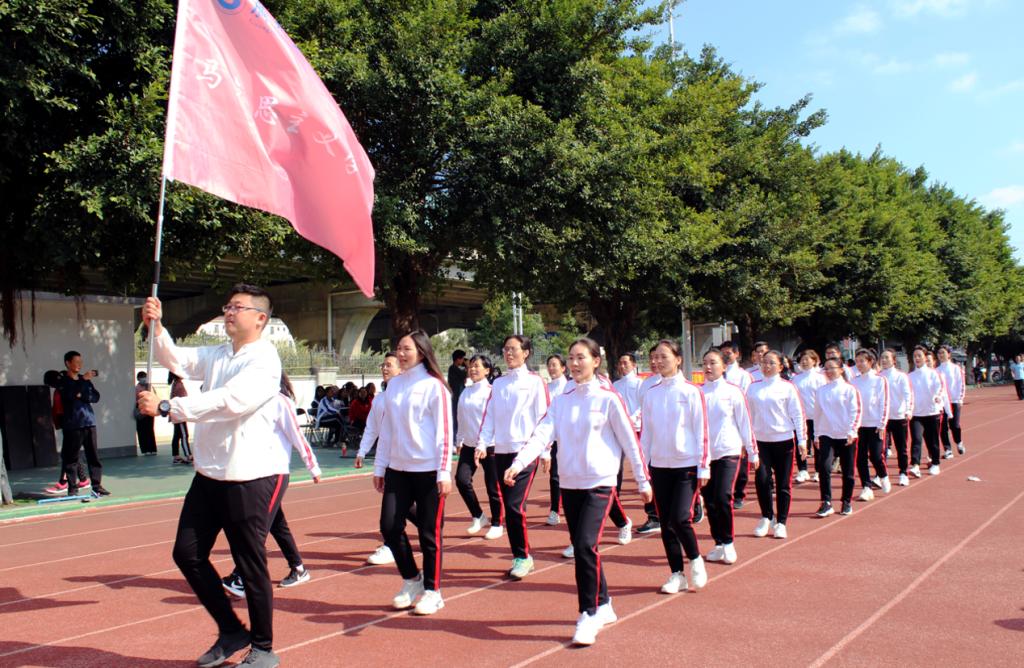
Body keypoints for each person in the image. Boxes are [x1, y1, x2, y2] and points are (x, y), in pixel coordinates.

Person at [137, 285, 286, 668]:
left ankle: (264, 648)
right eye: (228, 306)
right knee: (187, 554)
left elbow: (231, 401)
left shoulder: (264, 360)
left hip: (249, 474)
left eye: (238, 307)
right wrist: (157, 327)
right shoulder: (218, 353)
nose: (229, 312)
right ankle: (231, 629)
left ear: (260, 318)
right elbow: (178, 360)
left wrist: (169, 406)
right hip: (209, 474)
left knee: (249, 563)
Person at [503, 337, 652, 646]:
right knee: (587, 548)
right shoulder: (562, 400)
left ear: (596, 361)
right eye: (571, 358)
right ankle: (605, 603)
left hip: (600, 482)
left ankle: (588, 614)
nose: (574, 363)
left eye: (581, 357)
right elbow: (542, 434)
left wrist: (643, 480)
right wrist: (518, 463)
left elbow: (630, 441)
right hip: (570, 484)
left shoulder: (608, 399)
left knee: (584, 546)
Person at [222, 373, 322, 598]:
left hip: (274, 473)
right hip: (254, 474)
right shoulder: (250, 402)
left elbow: (298, 436)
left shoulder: (280, 401)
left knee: (257, 527)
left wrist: (312, 466)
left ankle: (242, 578)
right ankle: (298, 568)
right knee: (276, 523)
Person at [373, 330, 452, 616]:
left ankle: (433, 591)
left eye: (407, 349)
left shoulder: (434, 387)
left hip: (428, 470)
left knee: (429, 533)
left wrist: (444, 471)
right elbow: (387, 430)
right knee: (389, 527)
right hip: (398, 469)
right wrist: (380, 466)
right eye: (399, 348)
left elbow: (444, 432)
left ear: (421, 351)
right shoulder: (394, 386)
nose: (401, 353)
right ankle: (411, 578)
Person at [475, 334, 550, 580]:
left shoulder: (536, 382)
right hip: (502, 452)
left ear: (526, 353)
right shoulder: (498, 384)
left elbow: (544, 418)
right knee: (513, 507)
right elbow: (490, 417)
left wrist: (545, 451)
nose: (508, 353)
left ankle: (522, 557)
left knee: (513, 505)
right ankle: (522, 553)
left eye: (513, 349)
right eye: (505, 349)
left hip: (525, 451)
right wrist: (482, 443)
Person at [641, 339, 709, 594]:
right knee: (666, 522)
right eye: (655, 357)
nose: (658, 361)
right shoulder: (651, 393)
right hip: (659, 465)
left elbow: (701, 430)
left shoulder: (691, 391)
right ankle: (676, 574)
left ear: (678, 359)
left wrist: (704, 466)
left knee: (680, 518)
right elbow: (646, 434)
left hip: (686, 465)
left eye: (664, 356)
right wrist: (642, 467)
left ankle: (695, 559)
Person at [700, 349, 756, 565]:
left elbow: (744, 422)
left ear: (724, 366)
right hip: (705, 456)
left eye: (713, 362)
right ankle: (718, 542)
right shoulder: (698, 393)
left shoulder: (733, 392)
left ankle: (729, 542)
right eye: (705, 363)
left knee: (723, 496)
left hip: (728, 451)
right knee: (710, 501)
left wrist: (752, 451)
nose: (708, 367)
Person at [356, 352, 412, 565]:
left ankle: (429, 525)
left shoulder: (409, 395)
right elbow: (372, 428)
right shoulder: (380, 399)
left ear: (401, 369)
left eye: (389, 365)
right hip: (390, 461)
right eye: (383, 365)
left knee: (400, 504)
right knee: (396, 505)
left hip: (411, 460)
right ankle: (391, 544)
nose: (384, 368)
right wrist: (362, 451)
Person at [746, 350, 805, 539]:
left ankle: (781, 522)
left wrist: (802, 440)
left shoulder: (788, 387)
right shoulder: (753, 388)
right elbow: (747, 416)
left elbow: (797, 414)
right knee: (762, 480)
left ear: (780, 366)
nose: (767, 366)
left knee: (783, 483)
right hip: (761, 442)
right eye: (764, 362)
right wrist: (746, 441)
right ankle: (766, 516)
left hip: (783, 440)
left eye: (771, 363)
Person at [454, 354, 502, 537]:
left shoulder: (492, 392)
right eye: (471, 366)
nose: (472, 369)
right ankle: (478, 515)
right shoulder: (466, 392)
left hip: (490, 446)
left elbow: (495, 420)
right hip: (469, 445)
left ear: (487, 370)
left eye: (477, 366)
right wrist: (459, 439)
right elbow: (461, 418)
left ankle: (497, 523)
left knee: (493, 487)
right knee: (462, 480)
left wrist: (487, 442)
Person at [56, 351, 110, 497]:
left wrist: (82, 394)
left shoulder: (85, 380)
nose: (80, 365)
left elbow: (95, 396)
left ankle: (97, 486)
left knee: (93, 456)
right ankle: (72, 488)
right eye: (76, 362)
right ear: (68, 363)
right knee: (71, 458)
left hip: (89, 422)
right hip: (73, 425)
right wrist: (81, 383)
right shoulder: (64, 381)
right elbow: (69, 395)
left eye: (81, 361)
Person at [813, 359, 862, 517]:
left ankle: (846, 501)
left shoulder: (850, 389)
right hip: (826, 434)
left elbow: (856, 411)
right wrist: (816, 434)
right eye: (826, 368)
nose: (828, 371)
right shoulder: (821, 391)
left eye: (831, 368)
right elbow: (817, 413)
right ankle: (826, 502)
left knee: (847, 470)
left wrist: (852, 431)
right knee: (824, 467)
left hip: (846, 435)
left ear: (841, 370)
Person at [42, 369, 90, 495]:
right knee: (72, 453)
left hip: (73, 424)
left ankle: (63, 482)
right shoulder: (62, 389)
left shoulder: (63, 389)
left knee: (67, 454)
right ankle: (83, 480)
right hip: (70, 424)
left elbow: (62, 409)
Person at [851, 348, 890, 501]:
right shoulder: (854, 381)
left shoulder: (879, 380)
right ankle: (866, 487)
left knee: (875, 455)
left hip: (875, 425)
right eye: (857, 361)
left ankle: (883, 475)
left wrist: (882, 424)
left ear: (870, 362)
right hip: (859, 426)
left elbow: (884, 402)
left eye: (862, 361)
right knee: (860, 457)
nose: (859, 364)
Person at [908, 345, 952, 477]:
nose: (917, 358)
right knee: (916, 439)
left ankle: (935, 463)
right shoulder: (910, 376)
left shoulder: (934, 374)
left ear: (925, 358)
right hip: (916, 414)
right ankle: (915, 465)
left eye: (919, 356)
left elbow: (940, 387)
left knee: (932, 440)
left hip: (932, 412)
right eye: (915, 356)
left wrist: (937, 396)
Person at [721, 340, 754, 510]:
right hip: (721, 424)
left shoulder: (743, 376)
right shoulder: (717, 374)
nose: (725, 356)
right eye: (723, 354)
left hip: (738, 421)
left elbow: (747, 400)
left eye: (728, 353)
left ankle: (739, 494)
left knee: (741, 462)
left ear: (737, 354)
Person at [880, 349, 913, 486]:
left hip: (899, 416)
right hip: (883, 418)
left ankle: (903, 473)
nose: (884, 360)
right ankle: (881, 475)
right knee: (881, 449)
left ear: (893, 360)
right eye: (882, 357)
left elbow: (907, 394)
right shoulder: (878, 376)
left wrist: (908, 409)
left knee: (901, 448)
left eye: (887, 357)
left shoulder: (901, 376)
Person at [792, 350, 825, 484]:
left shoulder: (820, 378)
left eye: (807, 359)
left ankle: (818, 470)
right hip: (801, 417)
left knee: (817, 444)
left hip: (817, 417)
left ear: (814, 361)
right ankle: (802, 469)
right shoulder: (796, 379)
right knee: (801, 442)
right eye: (802, 360)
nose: (804, 362)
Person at [545, 354, 569, 526]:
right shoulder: (545, 388)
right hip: (550, 438)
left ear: (563, 368)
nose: (551, 368)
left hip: (567, 437)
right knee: (554, 476)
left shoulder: (569, 387)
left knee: (569, 474)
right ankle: (554, 510)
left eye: (555, 365)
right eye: (549, 365)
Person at [936, 346, 966, 458]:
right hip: (942, 403)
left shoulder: (956, 369)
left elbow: (961, 383)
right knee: (942, 426)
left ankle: (959, 442)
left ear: (949, 354)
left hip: (954, 400)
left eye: (943, 352)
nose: (940, 355)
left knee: (955, 425)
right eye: (939, 353)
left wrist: (960, 398)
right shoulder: (936, 370)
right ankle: (947, 449)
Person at [168, 371, 192, 464]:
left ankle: (176, 456)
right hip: (179, 415)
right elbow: (183, 401)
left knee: (177, 435)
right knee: (184, 435)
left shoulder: (175, 384)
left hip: (176, 414)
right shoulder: (178, 385)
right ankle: (188, 455)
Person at [134, 371, 158, 456]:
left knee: (150, 429)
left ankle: (152, 449)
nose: (144, 379)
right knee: (142, 430)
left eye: (145, 377)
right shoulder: (136, 388)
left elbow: (155, 396)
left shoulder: (150, 387)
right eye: (142, 377)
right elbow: (135, 400)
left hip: (150, 410)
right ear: (138, 379)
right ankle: (145, 450)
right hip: (141, 410)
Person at [448, 349, 468, 435]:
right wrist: (467, 366)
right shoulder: (453, 368)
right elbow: (466, 375)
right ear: (458, 359)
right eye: (462, 359)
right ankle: (455, 436)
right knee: (457, 417)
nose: (463, 361)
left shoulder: (456, 369)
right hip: (457, 396)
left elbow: (464, 379)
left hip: (458, 395)